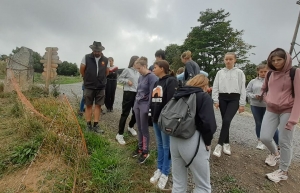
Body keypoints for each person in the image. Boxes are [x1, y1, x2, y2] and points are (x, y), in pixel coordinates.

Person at [170, 74, 217, 193]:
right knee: (203, 187)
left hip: (174, 139)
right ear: (204, 85)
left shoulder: (179, 93)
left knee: (178, 184)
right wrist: (207, 141)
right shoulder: (203, 96)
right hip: (192, 140)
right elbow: (208, 124)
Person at [260, 48, 300, 183]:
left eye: (279, 59)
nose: (276, 62)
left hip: (287, 110)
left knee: (284, 141)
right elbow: (264, 89)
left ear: (286, 59)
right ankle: (275, 154)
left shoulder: (295, 72)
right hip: (271, 109)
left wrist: (293, 119)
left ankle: (283, 171)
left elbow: (299, 97)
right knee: (264, 137)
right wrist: (267, 99)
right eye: (273, 60)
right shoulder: (270, 73)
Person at [149, 60, 178, 189]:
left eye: (155, 67)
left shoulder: (171, 81)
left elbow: (172, 101)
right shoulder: (156, 82)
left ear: (162, 68)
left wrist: (166, 117)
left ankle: (165, 173)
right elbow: (153, 100)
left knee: (167, 146)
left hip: (165, 120)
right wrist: (151, 115)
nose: (153, 69)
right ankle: (159, 169)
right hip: (155, 119)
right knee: (159, 145)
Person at [212, 52, 246, 157]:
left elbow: (242, 88)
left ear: (235, 60)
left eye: (230, 59)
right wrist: (215, 100)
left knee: (227, 120)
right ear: (224, 60)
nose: (228, 61)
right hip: (222, 98)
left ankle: (219, 145)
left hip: (234, 99)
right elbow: (215, 86)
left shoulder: (239, 72)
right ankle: (227, 143)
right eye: (226, 59)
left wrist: (242, 104)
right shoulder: (220, 72)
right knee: (225, 121)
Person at [246, 64, 279, 150]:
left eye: (265, 71)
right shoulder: (253, 81)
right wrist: (254, 96)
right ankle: (260, 141)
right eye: (261, 72)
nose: (263, 73)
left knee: (271, 124)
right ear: (258, 72)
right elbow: (247, 92)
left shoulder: (272, 81)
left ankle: (278, 143)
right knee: (258, 123)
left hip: (268, 106)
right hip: (255, 105)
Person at [132, 56, 158, 164]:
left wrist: (149, 108)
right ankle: (140, 147)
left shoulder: (152, 77)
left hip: (145, 106)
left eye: (139, 68)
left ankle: (146, 151)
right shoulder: (140, 77)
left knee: (144, 128)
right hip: (137, 104)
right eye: (136, 69)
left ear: (144, 66)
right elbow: (138, 91)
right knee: (139, 127)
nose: (138, 71)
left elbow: (153, 94)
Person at [80, 41, 108, 134]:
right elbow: (82, 69)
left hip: (100, 86)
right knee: (88, 105)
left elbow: (106, 72)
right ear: (92, 50)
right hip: (89, 85)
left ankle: (96, 125)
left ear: (101, 50)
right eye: (95, 50)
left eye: (98, 51)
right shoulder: (86, 57)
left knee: (98, 105)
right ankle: (88, 125)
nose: (96, 52)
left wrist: (101, 79)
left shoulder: (105, 60)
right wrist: (87, 78)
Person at [116, 56, 140, 145]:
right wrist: (127, 81)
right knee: (125, 113)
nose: (139, 63)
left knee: (136, 112)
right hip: (128, 93)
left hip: (136, 94)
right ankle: (120, 134)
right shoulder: (127, 70)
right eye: (137, 61)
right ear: (133, 62)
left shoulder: (138, 72)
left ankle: (130, 126)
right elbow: (119, 79)